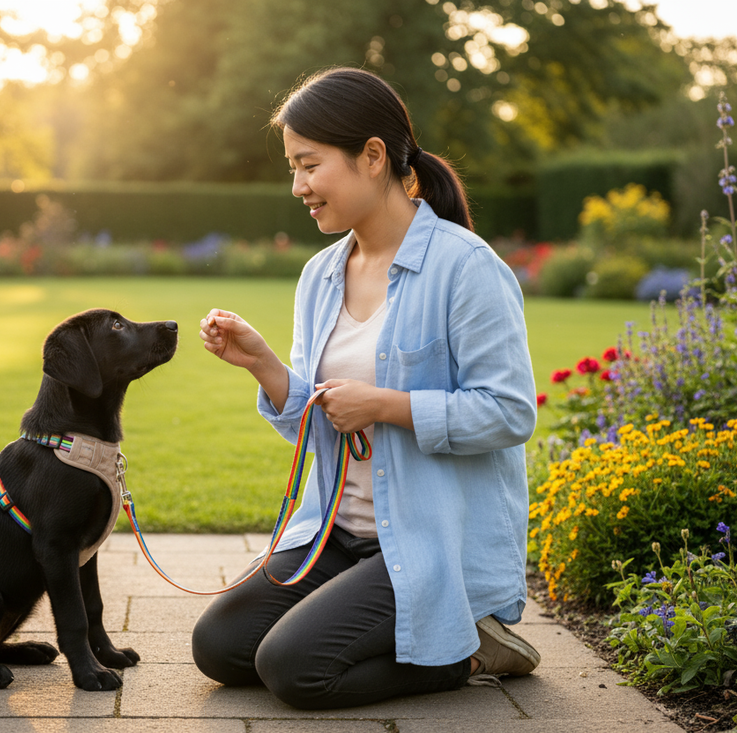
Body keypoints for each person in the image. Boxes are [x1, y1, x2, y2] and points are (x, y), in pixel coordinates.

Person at [191, 67, 540, 710]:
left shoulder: (465, 268)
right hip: (336, 537)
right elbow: (320, 422)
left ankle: (467, 648)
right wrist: (264, 366)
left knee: (293, 669)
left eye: (309, 165)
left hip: (424, 541)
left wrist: (385, 406)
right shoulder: (320, 276)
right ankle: (391, 625)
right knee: (219, 646)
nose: (297, 186)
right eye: (292, 168)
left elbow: (511, 412)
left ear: (372, 156)